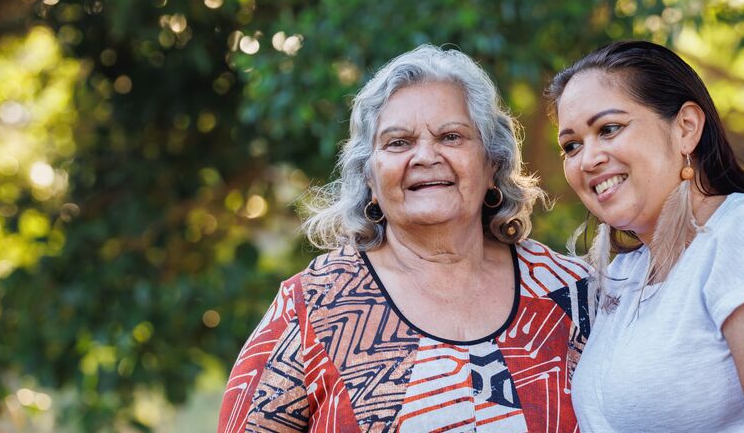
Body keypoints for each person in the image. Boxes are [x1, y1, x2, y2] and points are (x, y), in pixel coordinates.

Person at [218, 45, 594, 432]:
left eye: (451, 136)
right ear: (369, 177)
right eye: (398, 142)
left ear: (492, 163)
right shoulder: (315, 306)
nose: (426, 156)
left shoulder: (568, 291)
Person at [545, 41, 744, 432]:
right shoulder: (625, 276)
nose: (588, 159)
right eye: (571, 145)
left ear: (686, 127)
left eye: (609, 129)